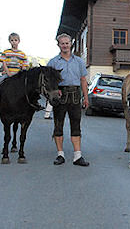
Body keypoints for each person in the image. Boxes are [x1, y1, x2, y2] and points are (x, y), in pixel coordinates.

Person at [47, 33, 90, 166]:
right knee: (58, 125)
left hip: (75, 94)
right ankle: (60, 155)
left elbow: (83, 80)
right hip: (60, 95)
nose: (65, 45)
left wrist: (85, 98)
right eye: (62, 43)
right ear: (58, 45)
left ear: (71, 44)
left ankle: (77, 156)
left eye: (67, 43)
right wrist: (54, 90)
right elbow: (48, 80)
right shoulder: (53, 62)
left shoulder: (79, 61)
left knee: (76, 125)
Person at [0, 32, 29, 111]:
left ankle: (29, 102)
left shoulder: (22, 54)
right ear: (9, 41)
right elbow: (4, 64)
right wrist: (9, 73)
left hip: (18, 75)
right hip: (8, 73)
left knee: (27, 85)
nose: (14, 42)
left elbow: (23, 66)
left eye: (15, 40)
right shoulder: (6, 52)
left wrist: (22, 75)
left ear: (19, 41)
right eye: (12, 40)